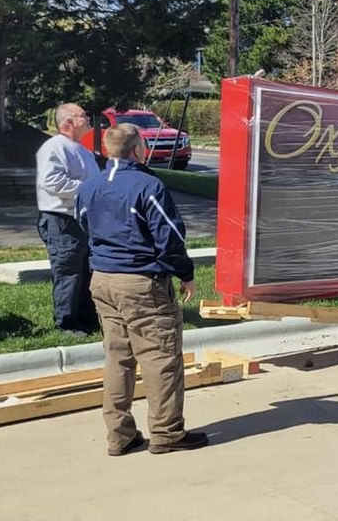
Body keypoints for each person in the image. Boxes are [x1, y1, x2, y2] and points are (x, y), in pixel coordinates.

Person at [76, 123, 207, 456]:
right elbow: (170, 238)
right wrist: (185, 273)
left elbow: (82, 224)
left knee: (118, 358)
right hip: (140, 281)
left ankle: (119, 435)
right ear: (138, 150)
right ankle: (167, 433)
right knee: (160, 357)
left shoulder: (88, 187)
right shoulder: (149, 186)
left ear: (107, 151)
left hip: (103, 279)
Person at [35, 103, 101, 336]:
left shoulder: (81, 150)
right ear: (68, 122)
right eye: (83, 115)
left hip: (81, 220)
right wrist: (89, 188)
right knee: (68, 270)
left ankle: (86, 317)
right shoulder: (54, 148)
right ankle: (67, 322)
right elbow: (51, 182)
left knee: (85, 269)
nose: (88, 118)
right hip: (61, 220)